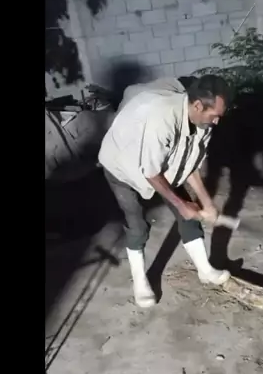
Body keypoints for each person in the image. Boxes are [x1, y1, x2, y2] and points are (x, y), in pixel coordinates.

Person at [98, 74, 232, 308]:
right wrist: (181, 204)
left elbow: (190, 165)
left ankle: (205, 270)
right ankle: (140, 282)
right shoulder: (161, 119)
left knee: (188, 214)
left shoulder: (204, 122)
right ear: (197, 106)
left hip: (160, 162)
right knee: (137, 224)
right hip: (121, 165)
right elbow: (150, 172)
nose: (217, 121)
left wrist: (206, 203)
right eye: (214, 115)